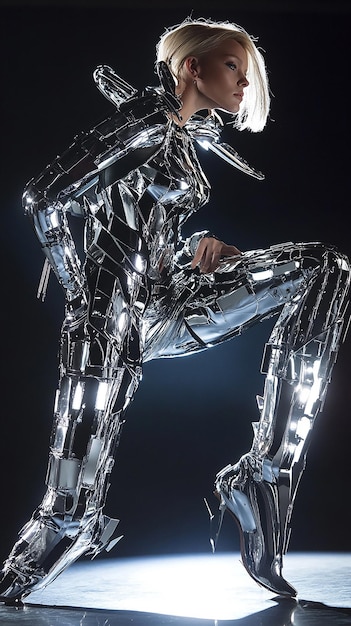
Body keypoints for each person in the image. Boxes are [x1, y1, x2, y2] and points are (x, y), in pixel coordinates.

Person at [0, 16, 349, 603]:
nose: (243, 83)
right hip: (108, 316)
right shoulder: (140, 121)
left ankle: (265, 476)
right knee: (70, 513)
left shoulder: (180, 135)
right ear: (194, 66)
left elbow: (147, 224)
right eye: (233, 66)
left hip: (169, 299)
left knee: (324, 269)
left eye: (245, 70)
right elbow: (45, 197)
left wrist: (200, 250)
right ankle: (32, 565)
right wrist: (80, 286)